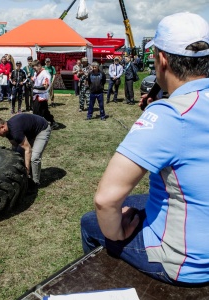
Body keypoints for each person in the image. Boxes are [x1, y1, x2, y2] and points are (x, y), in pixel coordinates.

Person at [80, 12, 209, 286]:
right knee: (140, 200)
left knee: (92, 223)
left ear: (162, 59)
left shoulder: (170, 115)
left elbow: (106, 199)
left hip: (188, 261)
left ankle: (104, 284)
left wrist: (117, 233)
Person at [0, 114, 52, 186]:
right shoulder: (7, 131)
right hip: (30, 131)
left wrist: (27, 172)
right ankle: (26, 173)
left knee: (35, 157)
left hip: (42, 129)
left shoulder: (15, 131)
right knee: (18, 152)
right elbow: (15, 146)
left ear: (2, 127)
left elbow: (28, 150)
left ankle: (35, 182)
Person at [32, 60, 59, 130]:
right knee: (44, 111)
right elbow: (34, 79)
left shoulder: (45, 74)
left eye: (35, 68)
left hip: (42, 95)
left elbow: (45, 87)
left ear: (39, 66)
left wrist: (33, 87)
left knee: (37, 112)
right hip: (36, 95)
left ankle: (38, 126)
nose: (34, 70)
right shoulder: (36, 73)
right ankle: (52, 122)